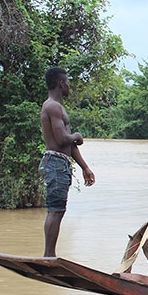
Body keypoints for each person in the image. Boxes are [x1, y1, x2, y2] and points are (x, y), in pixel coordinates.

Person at [39, 67, 96, 257]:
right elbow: (64, 139)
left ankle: (50, 255)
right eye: (68, 83)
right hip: (54, 162)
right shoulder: (52, 106)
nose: (69, 86)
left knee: (58, 210)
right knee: (55, 210)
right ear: (61, 83)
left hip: (60, 162)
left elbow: (70, 146)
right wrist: (77, 135)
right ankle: (49, 256)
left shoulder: (59, 108)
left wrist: (85, 167)